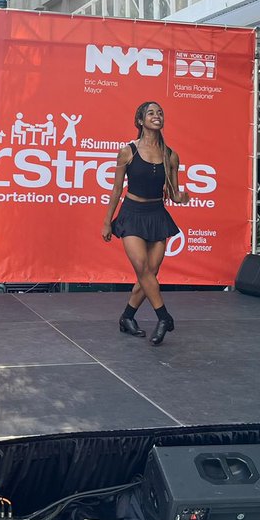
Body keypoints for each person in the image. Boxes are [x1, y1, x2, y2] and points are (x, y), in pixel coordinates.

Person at [101, 101, 190, 345]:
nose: (157, 115)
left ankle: (127, 317)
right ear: (141, 121)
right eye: (150, 113)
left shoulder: (171, 155)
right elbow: (117, 189)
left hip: (156, 215)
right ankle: (164, 317)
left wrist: (183, 197)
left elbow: (173, 193)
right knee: (142, 268)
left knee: (149, 274)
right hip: (131, 213)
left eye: (160, 112)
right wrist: (107, 222)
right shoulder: (127, 151)